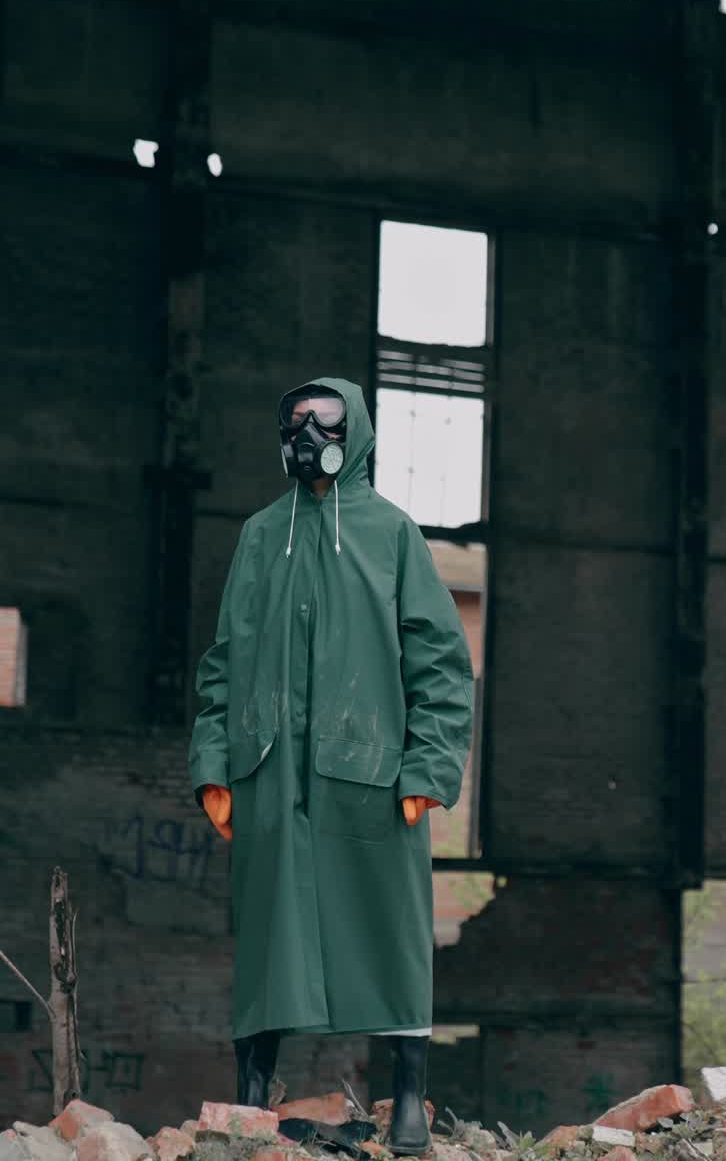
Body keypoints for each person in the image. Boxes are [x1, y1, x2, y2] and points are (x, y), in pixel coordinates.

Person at [188, 377, 474, 1157]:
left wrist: (427, 770)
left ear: (357, 428)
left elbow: (443, 666)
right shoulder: (259, 534)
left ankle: (409, 1096)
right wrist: (216, 764)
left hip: (372, 777)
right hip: (271, 775)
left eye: (322, 419)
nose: (305, 432)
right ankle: (253, 1093)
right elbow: (221, 662)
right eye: (293, 420)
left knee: (392, 934)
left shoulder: (392, 534)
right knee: (270, 938)